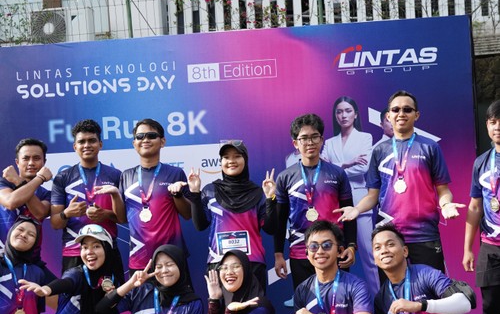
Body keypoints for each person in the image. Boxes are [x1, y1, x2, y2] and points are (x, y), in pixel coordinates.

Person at [337, 90, 465, 272]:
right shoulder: (379, 151)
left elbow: (443, 190)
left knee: (432, 288)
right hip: (388, 236)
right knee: (393, 290)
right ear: (388, 115)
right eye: (396, 110)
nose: (401, 114)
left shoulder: (430, 147)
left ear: (416, 115)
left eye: (407, 109)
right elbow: (373, 196)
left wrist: (446, 205)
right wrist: (357, 209)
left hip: (424, 234)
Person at [50, 119, 124, 314]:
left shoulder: (115, 175)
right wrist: (68, 213)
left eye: (92, 140)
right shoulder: (63, 178)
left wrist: (106, 214)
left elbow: (122, 218)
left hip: (107, 253)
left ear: (100, 144)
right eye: (81, 141)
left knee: (111, 309)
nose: (87, 145)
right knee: (71, 310)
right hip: (74, 254)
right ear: (74, 146)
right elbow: (55, 222)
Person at [274, 113, 357, 296]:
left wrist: (351, 246)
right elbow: (280, 220)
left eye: (314, 137)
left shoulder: (337, 174)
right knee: (306, 304)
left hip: (334, 250)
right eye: (304, 138)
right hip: (300, 251)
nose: (310, 142)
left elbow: (349, 213)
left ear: (322, 140)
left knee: (339, 302)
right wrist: (278, 253)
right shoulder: (285, 177)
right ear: (295, 143)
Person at [186, 140, 276, 289]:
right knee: (219, 305)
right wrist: (195, 193)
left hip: (252, 263)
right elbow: (200, 225)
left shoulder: (258, 193)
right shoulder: (210, 191)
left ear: (245, 160)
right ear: (221, 162)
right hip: (219, 264)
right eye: (226, 157)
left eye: (237, 156)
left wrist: (270, 199)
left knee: (254, 305)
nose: (231, 161)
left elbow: (270, 228)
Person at [116, 119, 192, 273]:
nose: (145, 140)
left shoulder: (175, 173)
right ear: (134, 144)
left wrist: (177, 195)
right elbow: (122, 219)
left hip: (171, 257)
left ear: (162, 142)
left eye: (151, 135)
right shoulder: (126, 176)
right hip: (139, 258)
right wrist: (113, 195)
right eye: (140, 136)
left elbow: (188, 214)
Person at [322, 96, 379, 295]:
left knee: (370, 257)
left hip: (359, 202)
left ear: (355, 114)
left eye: (348, 111)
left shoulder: (365, 138)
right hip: (335, 204)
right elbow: (324, 170)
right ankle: (338, 300)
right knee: (336, 256)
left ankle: (380, 301)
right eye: (339, 111)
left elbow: (363, 168)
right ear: (335, 115)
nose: (343, 115)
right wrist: (348, 163)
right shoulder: (329, 142)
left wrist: (337, 169)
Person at [463, 99, 500, 314]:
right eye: (492, 121)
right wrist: (468, 248)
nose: (497, 126)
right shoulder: (482, 162)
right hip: (490, 245)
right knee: (489, 308)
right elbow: (475, 206)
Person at [0, 138, 54, 280]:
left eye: (36, 158)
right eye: (26, 158)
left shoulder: (47, 195)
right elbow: (11, 202)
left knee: (63, 291)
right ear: (17, 162)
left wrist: (19, 181)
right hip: (3, 259)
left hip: (31, 263)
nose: (31, 163)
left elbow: (40, 213)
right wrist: (40, 178)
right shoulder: (3, 183)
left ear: (44, 162)